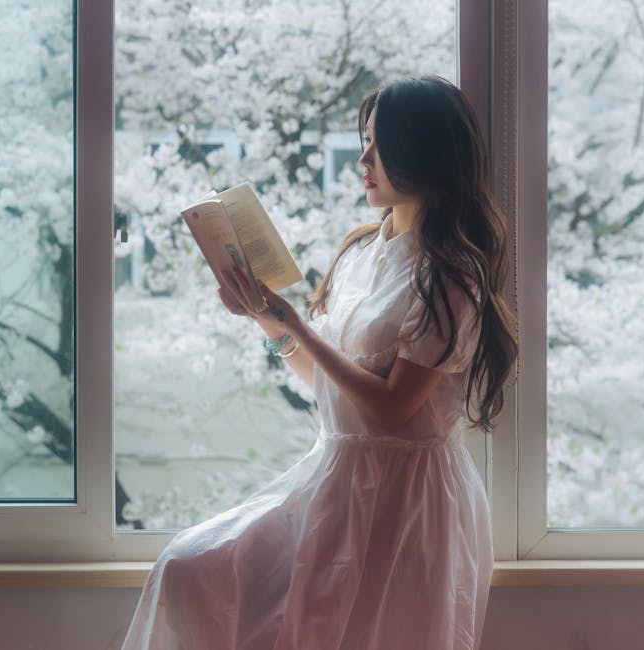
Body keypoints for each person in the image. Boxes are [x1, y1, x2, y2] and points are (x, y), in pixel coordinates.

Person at [122, 75, 518, 650]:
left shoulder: (451, 276)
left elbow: (391, 408)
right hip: (338, 477)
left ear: (423, 154)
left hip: (406, 500)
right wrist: (268, 321)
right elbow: (329, 386)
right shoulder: (362, 252)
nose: (363, 158)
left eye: (379, 145)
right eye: (365, 140)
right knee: (189, 569)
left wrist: (300, 323)